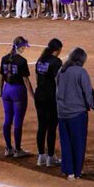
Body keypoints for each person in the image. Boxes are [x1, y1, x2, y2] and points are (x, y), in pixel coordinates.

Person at [55, 47, 94, 180]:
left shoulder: (61, 70)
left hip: (62, 113)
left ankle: (68, 171)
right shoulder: (81, 72)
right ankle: (76, 171)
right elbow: (88, 94)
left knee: (66, 142)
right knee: (78, 143)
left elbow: (58, 91)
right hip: (77, 114)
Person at [0, 37, 34, 157]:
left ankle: (8, 148)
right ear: (21, 47)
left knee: (7, 119)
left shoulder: (4, 58)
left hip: (6, 90)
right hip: (18, 91)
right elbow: (26, 80)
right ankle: (18, 150)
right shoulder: (22, 61)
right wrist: (32, 95)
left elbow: (2, 76)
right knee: (18, 120)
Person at [34, 38, 64, 166]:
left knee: (41, 126)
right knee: (51, 127)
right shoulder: (56, 62)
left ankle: (41, 157)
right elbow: (59, 81)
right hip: (51, 97)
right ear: (57, 50)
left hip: (39, 95)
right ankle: (50, 157)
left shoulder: (40, 60)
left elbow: (37, 79)